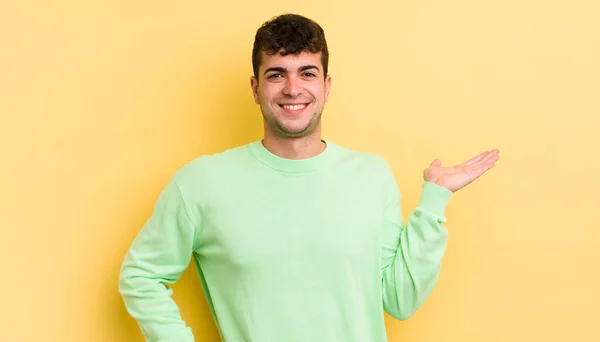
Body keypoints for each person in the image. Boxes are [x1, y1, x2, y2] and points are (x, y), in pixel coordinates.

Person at [118, 13, 500, 342]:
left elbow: (400, 300)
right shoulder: (201, 183)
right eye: (276, 74)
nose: (292, 88)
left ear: (327, 86)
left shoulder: (370, 176)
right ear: (255, 88)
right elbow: (141, 276)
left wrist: (433, 200)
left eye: (307, 73)